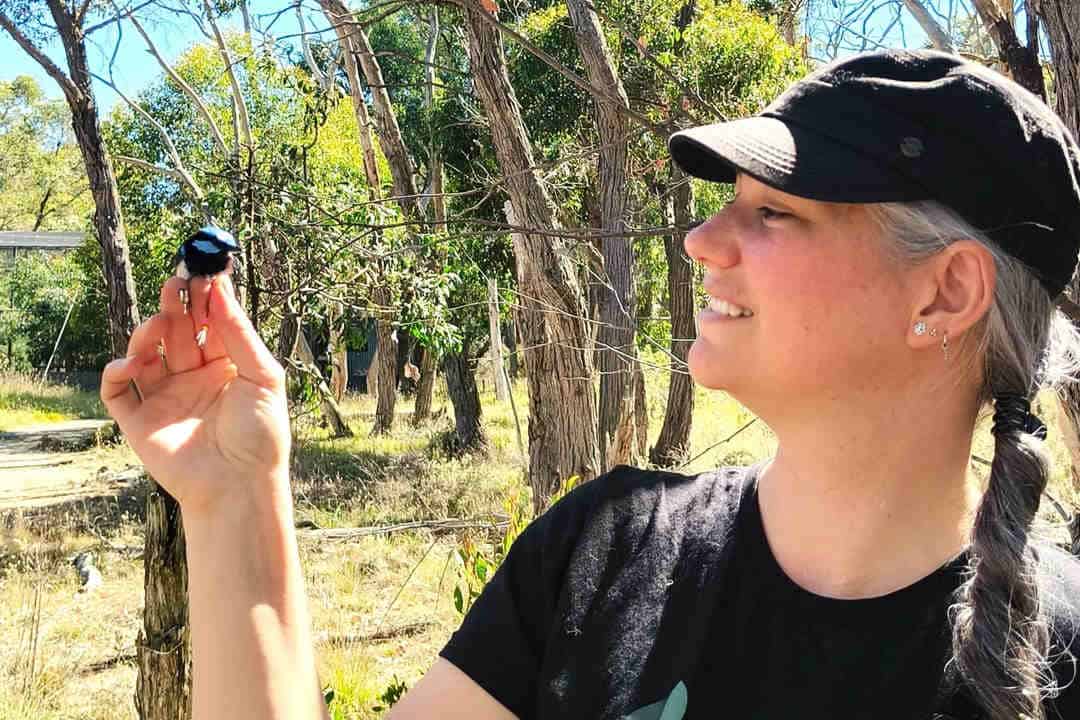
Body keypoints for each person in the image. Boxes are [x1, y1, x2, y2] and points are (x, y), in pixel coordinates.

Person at [101, 48, 1080, 720]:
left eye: (774, 213)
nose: (701, 241)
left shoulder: (1060, 654)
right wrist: (233, 499)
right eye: (723, 206)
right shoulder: (605, 546)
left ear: (945, 291)